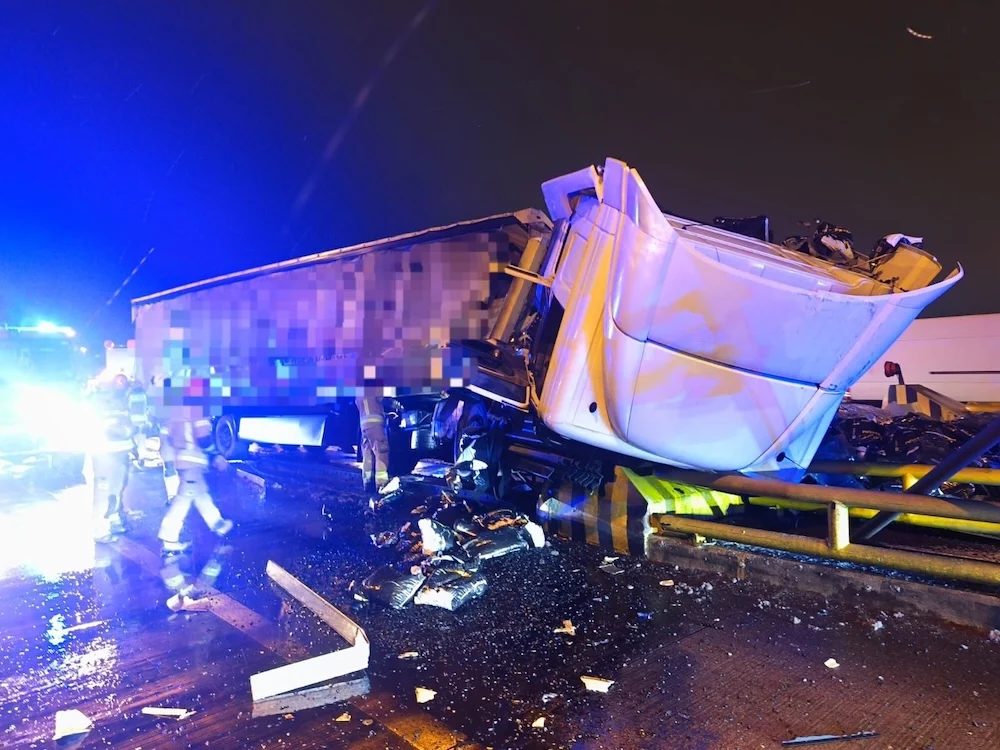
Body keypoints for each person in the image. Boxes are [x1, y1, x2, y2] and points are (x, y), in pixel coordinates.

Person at [157, 417, 234, 553]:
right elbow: (203, 437)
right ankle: (169, 538)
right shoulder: (197, 411)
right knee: (183, 500)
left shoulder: (177, 413)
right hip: (192, 461)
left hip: (184, 460)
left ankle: (217, 523)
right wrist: (215, 455)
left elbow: (166, 440)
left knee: (201, 495)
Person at [88, 378, 136, 543]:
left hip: (121, 452)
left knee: (117, 489)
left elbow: (129, 424)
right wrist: (121, 431)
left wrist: (132, 441)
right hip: (104, 454)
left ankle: (113, 521)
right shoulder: (95, 404)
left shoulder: (120, 402)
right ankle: (99, 530)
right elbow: (102, 428)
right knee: (103, 492)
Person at [356, 391, 392, 496]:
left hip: (364, 426)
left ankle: (367, 483)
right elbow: (384, 398)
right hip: (375, 425)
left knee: (368, 454)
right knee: (381, 452)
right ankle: (381, 485)